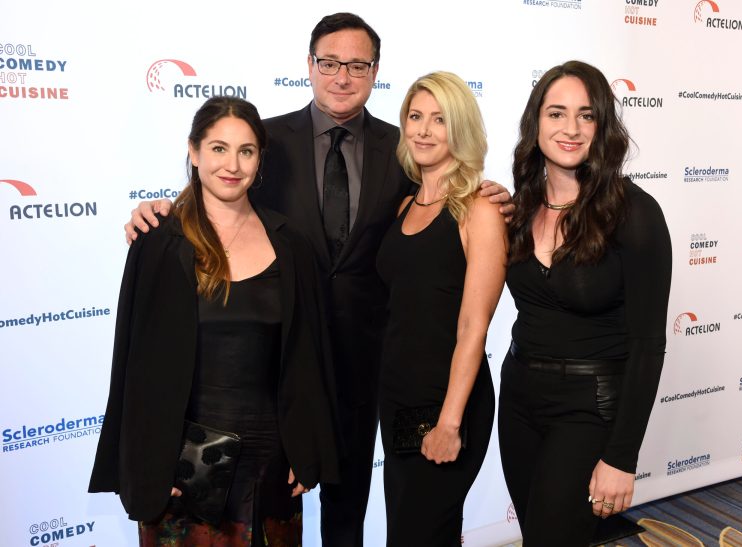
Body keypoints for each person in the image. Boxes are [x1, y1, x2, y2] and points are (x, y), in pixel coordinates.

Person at [123, 13, 512, 546]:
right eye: (329, 63)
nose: (342, 76)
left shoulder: (403, 150)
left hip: (369, 364)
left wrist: (492, 196)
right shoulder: (267, 140)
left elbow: (443, 209)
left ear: (375, 72)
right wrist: (165, 210)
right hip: (283, 365)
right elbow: (221, 191)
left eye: (357, 65)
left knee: (354, 508)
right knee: (279, 506)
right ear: (310, 66)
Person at [89, 96, 339, 547]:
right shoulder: (159, 242)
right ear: (194, 151)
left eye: (246, 150)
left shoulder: (291, 244)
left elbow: (308, 357)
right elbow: (135, 365)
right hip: (185, 464)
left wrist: (306, 449)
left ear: (260, 159)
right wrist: (149, 462)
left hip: (271, 463)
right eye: (219, 148)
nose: (233, 164)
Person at [497, 60, 672, 546]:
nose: (570, 128)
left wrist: (621, 457)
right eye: (556, 113)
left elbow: (647, 345)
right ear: (536, 123)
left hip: (588, 409)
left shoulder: (634, 213)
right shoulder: (518, 208)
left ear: (603, 127)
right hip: (517, 401)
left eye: (586, 115)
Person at [376, 72, 506, 546]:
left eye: (439, 119)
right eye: (415, 117)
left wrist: (449, 422)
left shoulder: (480, 210)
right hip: (397, 399)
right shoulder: (403, 207)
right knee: (412, 534)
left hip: (449, 400)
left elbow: (475, 326)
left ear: (461, 129)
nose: (425, 130)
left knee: (422, 531)